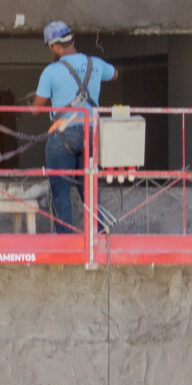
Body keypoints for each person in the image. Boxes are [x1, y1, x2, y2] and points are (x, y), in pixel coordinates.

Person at [29, 20, 117, 233]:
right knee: (90, 190)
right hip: (90, 133)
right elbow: (114, 74)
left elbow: (36, 108)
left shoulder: (51, 71)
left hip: (62, 134)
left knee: (60, 193)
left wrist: (32, 104)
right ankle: (99, 237)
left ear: (56, 47)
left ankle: (65, 243)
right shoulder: (94, 63)